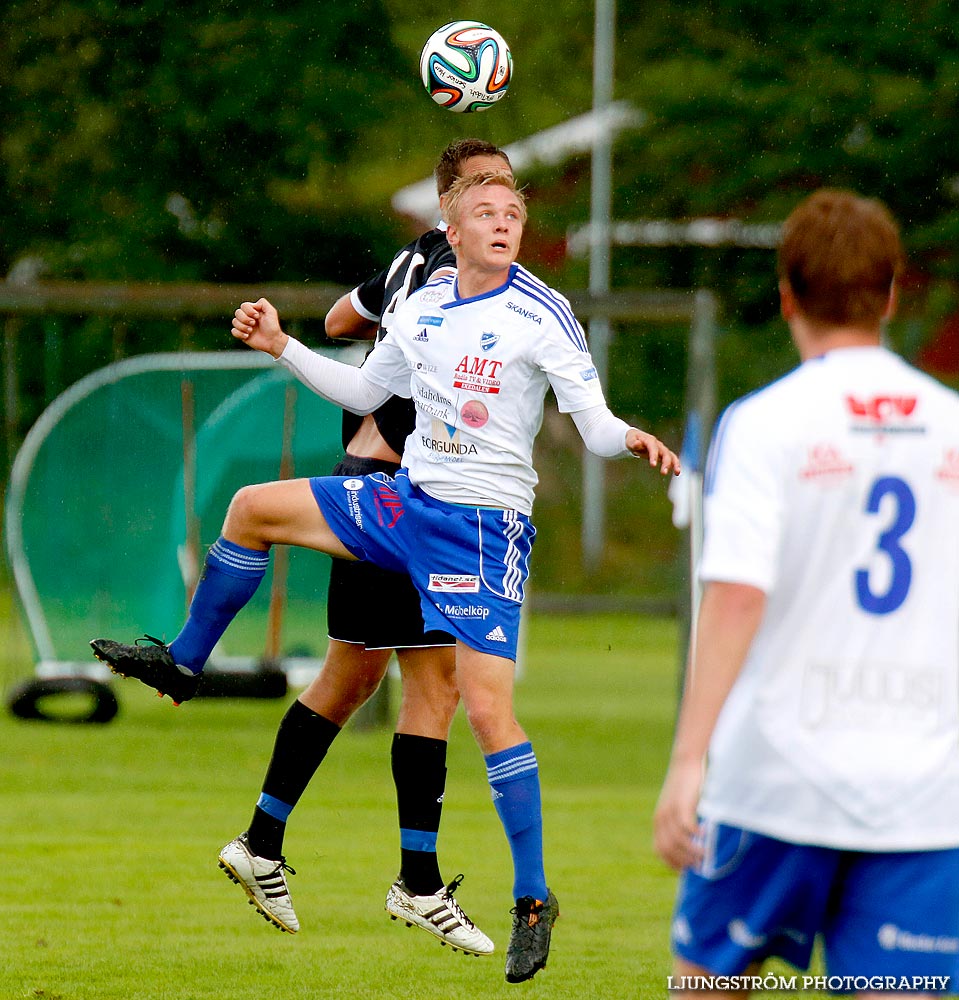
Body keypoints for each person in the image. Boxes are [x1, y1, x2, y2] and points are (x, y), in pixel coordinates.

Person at [95, 170, 680, 983]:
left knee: (480, 709)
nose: (503, 220)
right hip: (404, 502)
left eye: (514, 210)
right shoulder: (420, 302)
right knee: (251, 508)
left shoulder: (541, 312)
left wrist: (632, 441)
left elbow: (594, 421)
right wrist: (282, 346)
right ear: (452, 221)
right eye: (485, 210)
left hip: (481, 531)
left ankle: (533, 899)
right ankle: (185, 663)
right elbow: (367, 389)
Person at [94, 139, 511, 958]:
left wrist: (350, 324)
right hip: (404, 502)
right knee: (432, 689)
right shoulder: (448, 280)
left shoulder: (409, 262)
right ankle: (417, 884)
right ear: (450, 204)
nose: (500, 207)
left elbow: (339, 322)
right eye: (485, 192)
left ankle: (260, 842)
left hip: (373, 477)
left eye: (506, 195)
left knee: (351, 678)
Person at [653, 189, 959, 998]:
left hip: (776, 779)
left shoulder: (765, 422)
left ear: (785, 295)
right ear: (892, 294)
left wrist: (688, 762)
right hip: (923, 795)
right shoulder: (949, 423)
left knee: (706, 985)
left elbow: (735, 597)